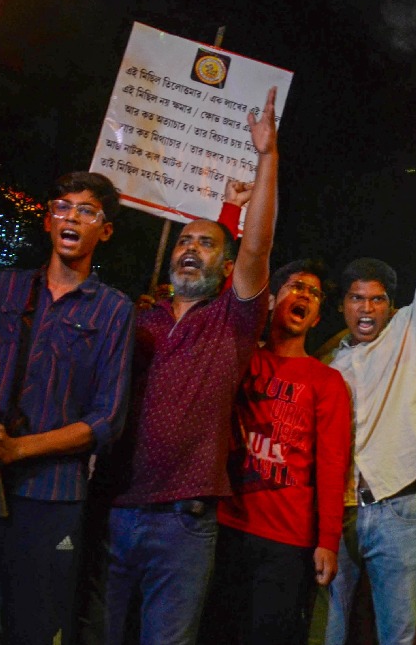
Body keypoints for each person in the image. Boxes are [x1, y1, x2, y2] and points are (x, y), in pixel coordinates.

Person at [0, 172, 135, 645]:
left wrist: (19, 449)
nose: (71, 216)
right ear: (48, 219)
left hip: (51, 498)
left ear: (106, 230)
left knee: (30, 628)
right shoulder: (5, 287)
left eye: (87, 211)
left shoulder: (114, 310)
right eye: (62, 206)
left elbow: (106, 420)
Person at [100, 87, 279, 645]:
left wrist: (267, 158)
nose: (190, 248)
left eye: (205, 243)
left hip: (183, 519)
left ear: (224, 265)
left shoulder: (232, 320)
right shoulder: (140, 313)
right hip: (114, 507)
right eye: (183, 240)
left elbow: (255, 247)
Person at [321, 118, 416, 645]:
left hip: (397, 508)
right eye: (356, 297)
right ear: (342, 305)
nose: (366, 307)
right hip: (335, 511)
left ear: (392, 305)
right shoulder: (327, 362)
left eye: (377, 298)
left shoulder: (410, 332)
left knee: (399, 636)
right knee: (332, 633)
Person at [204, 258, 351, 645]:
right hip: (225, 525)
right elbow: (220, 310)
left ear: (317, 318)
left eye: (314, 293)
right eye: (296, 286)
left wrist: (327, 541)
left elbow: (333, 465)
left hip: (288, 540)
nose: (305, 295)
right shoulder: (240, 357)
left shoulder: (327, 381)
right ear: (270, 300)